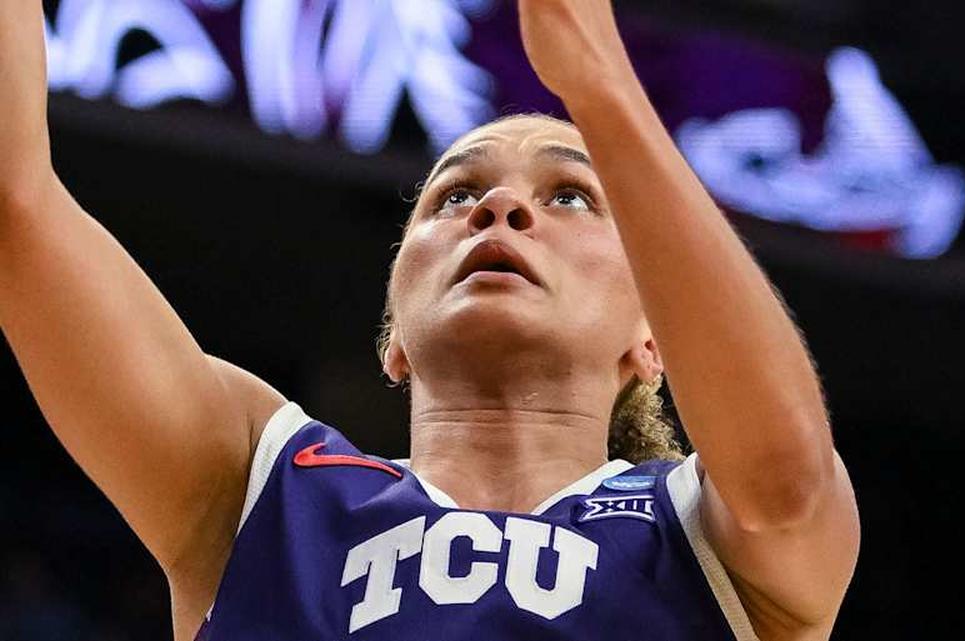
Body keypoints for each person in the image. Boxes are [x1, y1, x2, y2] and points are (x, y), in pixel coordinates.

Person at [0, 1, 860, 640]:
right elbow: (16, 209)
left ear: (653, 338)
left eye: (568, 194)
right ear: (396, 341)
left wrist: (599, 85)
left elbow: (786, 478)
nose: (499, 209)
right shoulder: (259, 482)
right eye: (454, 196)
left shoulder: (706, 535)